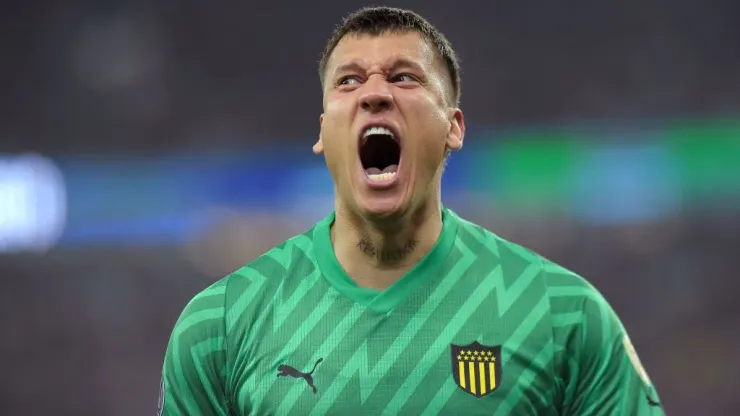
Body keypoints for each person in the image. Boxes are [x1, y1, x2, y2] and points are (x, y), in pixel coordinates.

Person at [159, 6, 664, 415]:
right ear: (321, 132)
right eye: (349, 82)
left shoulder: (563, 314)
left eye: (404, 78)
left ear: (454, 127)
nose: (375, 93)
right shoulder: (220, 326)